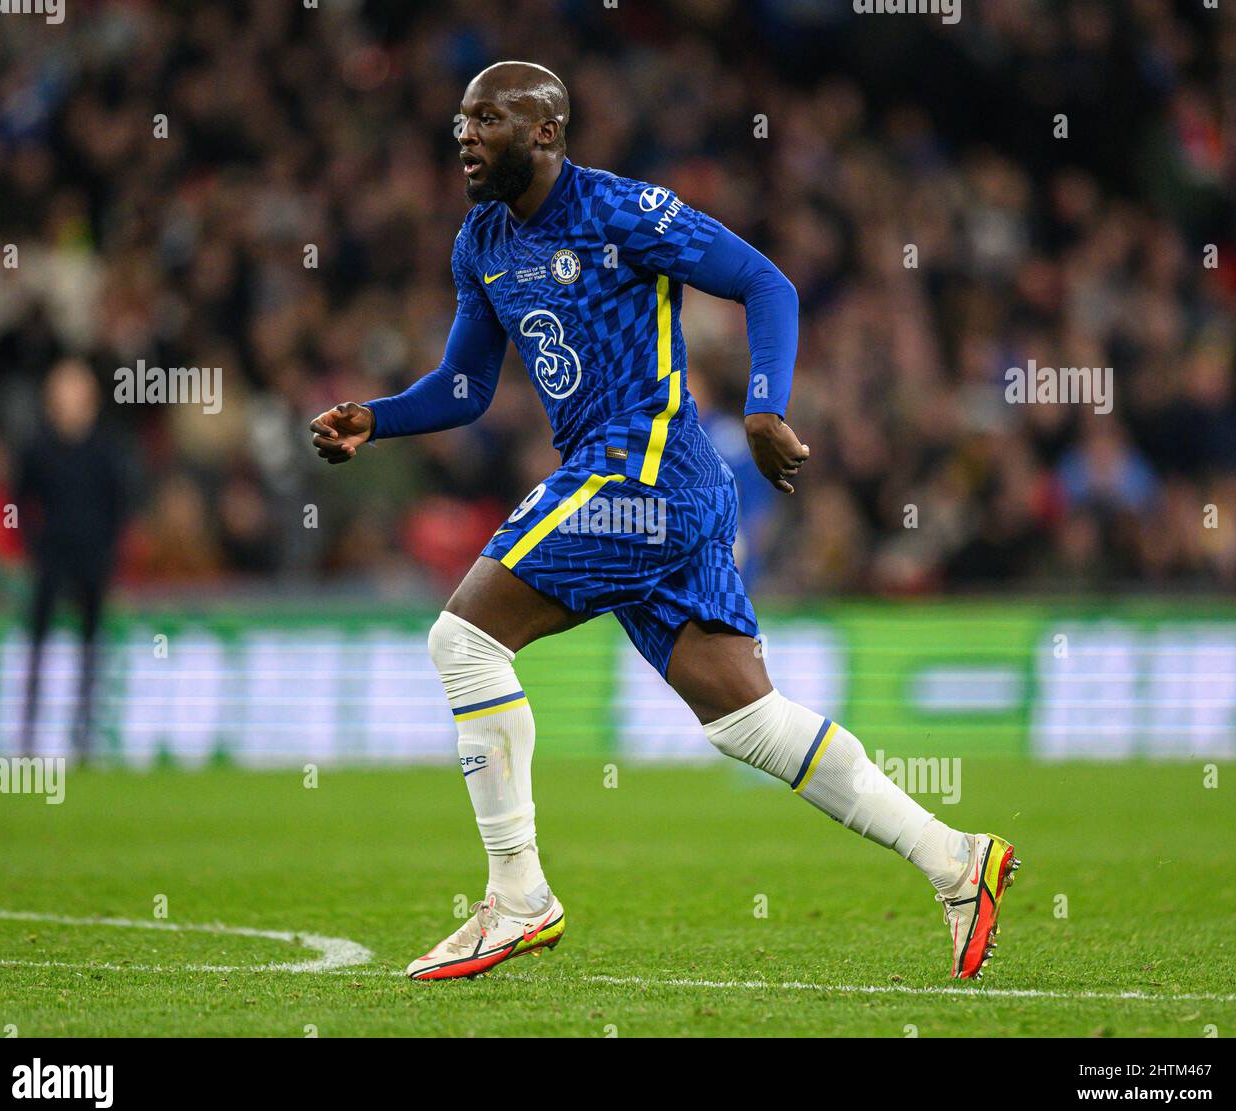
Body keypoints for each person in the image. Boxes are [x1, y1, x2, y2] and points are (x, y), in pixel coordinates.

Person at [310, 62, 1017, 982]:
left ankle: (518, 898)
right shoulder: (481, 240)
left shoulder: (623, 213)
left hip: (641, 468)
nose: (465, 135)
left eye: (488, 119)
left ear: (548, 133)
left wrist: (765, 407)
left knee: (463, 643)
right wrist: (380, 416)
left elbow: (768, 284)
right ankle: (956, 860)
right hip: (646, 487)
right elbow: (464, 386)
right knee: (743, 717)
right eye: (460, 120)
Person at [18, 359, 128, 761]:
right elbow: (20, 501)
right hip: (51, 558)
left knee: (89, 644)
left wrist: (108, 549)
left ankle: (84, 733)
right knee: (38, 644)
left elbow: (120, 504)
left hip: (92, 559)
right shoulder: (37, 448)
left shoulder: (105, 450)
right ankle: (29, 734)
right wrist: (32, 546)